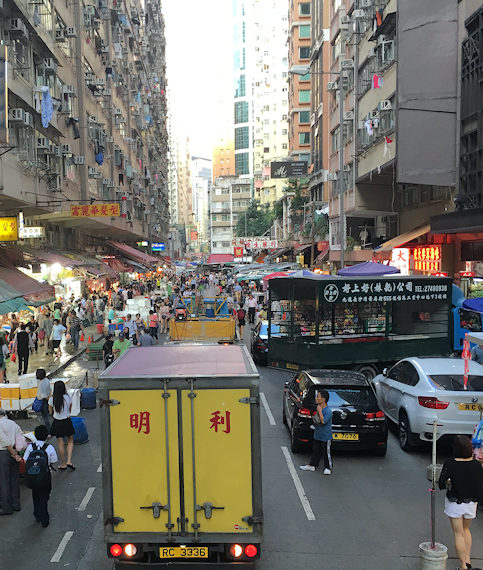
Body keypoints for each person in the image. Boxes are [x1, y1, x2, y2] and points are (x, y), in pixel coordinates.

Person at [438, 435, 483, 570]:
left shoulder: (450, 463)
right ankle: (468, 560)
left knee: (458, 534)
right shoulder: (476, 464)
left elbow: (441, 483)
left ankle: (463, 566)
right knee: (466, 530)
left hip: (455, 502)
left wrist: (448, 482)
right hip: (471, 503)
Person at [23, 424, 57, 527]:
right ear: (46, 435)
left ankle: (37, 514)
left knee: (35, 495)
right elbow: (54, 460)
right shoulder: (49, 447)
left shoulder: (30, 447)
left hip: (33, 476)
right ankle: (44, 517)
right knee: (44, 496)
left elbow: (25, 460)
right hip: (45, 477)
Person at [300, 389, 333, 475]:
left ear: (323, 399)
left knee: (326, 452)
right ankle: (312, 465)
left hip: (325, 436)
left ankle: (327, 467)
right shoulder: (319, 408)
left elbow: (323, 421)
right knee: (316, 451)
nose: (316, 398)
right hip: (318, 435)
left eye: (318, 397)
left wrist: (319, 411)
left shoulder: (328, 411)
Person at [49, 381, 75, 470]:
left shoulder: (52, 399)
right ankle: (69, 461)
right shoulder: (68, 397)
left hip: (57, 422)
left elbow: (50, 412)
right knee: (70, 440)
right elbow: (70, 410)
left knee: (60, 443)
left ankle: (63, 463)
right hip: (67, 421)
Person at [0, 408, 22, 515]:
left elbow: (4, 440)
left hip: (4, 453)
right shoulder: (13, 423)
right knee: (14, 479)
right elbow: (20, 437)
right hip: (15, 452)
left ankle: (6, 507)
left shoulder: (0, 424)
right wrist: (16, 454)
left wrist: (12, 452)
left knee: (4, 481)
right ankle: (16, 504)